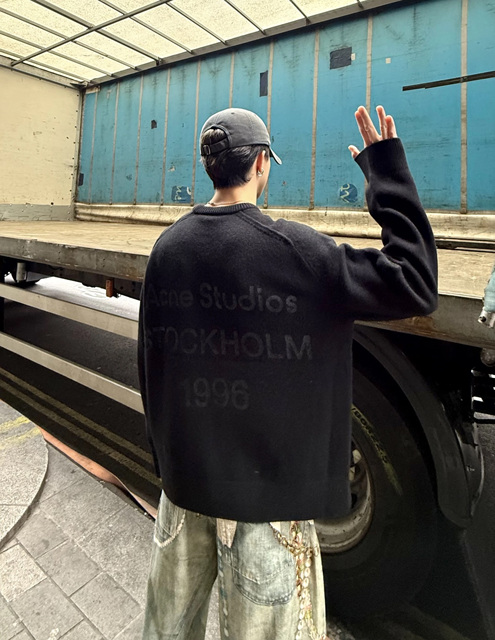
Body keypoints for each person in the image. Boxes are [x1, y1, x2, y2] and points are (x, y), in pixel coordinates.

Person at [138, 105, 438, 640]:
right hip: (267, 509)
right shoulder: (298, 252)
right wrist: (386, 171)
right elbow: (415, 281)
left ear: (209, 167)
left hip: (182, 493)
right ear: (260, 163)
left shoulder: (168, 249)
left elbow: (151, 365)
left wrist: (168, 463)